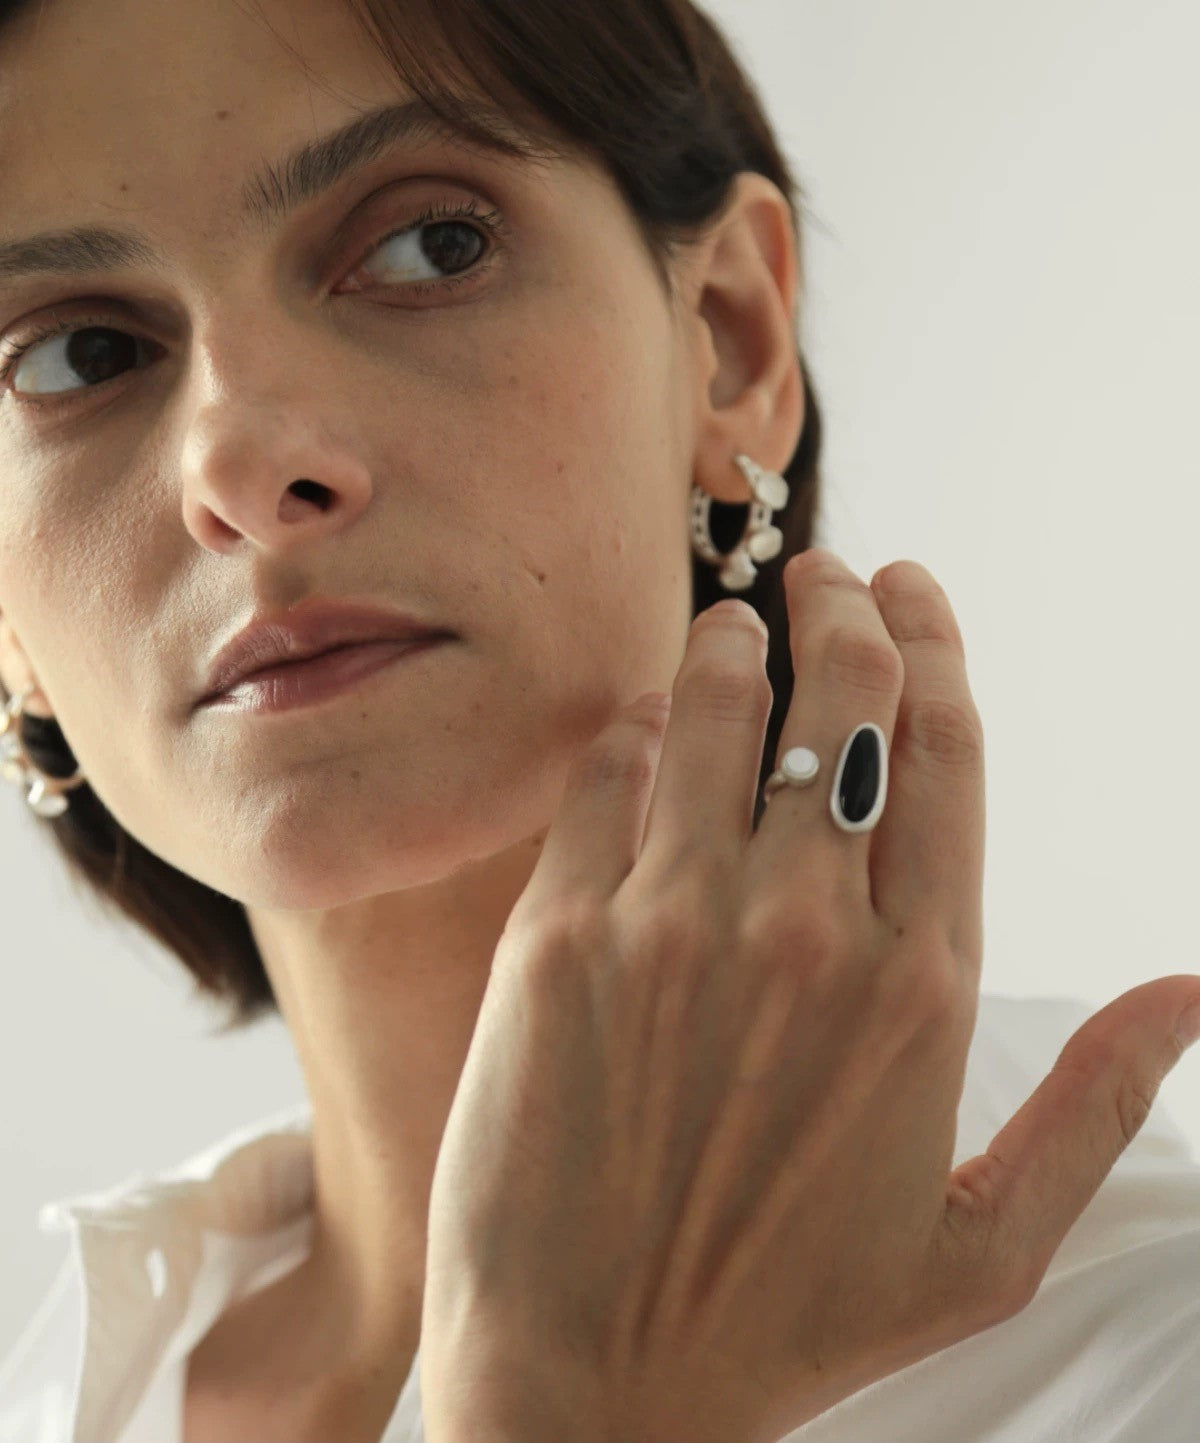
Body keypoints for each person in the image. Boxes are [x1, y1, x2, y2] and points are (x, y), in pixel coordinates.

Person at [1, 1, 1197, 1441]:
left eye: (427, 247)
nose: (241, 466)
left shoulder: (1144, 1357)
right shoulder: (70, 1389)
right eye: (77, 355)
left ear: (730, 342)